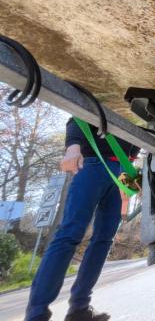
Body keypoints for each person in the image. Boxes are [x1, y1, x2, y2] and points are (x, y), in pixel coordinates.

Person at [25, 118, 140, 321]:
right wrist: (73, 146)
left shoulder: (138, 112)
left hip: (122, 171)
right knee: (69, 234)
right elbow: (77, 116)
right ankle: (37, 314)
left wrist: (132, 184)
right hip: (93, 163)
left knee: (104, 240)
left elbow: (134, 146)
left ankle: (79, 308)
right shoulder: (112, 99)